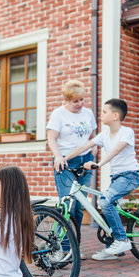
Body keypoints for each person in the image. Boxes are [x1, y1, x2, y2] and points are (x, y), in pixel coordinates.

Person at [64, 98, 139, 260]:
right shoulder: (104, 134)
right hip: (116, 177)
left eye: (104, 112)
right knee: (105, 205)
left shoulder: (126, 132)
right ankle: (112, 249)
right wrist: (64, 158)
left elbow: (116, 150)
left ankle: (121, 239)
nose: (100, 115)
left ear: (115, 116)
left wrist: (99, 164)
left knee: (105, 201)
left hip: (130, 175)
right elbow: (84, 146)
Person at [47, 80, 97, 237]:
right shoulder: (58, 114)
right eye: (75, 101)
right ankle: (64, 247)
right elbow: (51, 138)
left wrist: (94, 147)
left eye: (82, 99)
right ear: (66, 100)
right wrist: (58, 156)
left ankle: (75, 246)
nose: (80, 104)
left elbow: (93, 136)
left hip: (86, 161)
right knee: (67, 203)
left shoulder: (88, 113)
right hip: (66, 162)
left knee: (79, 206)